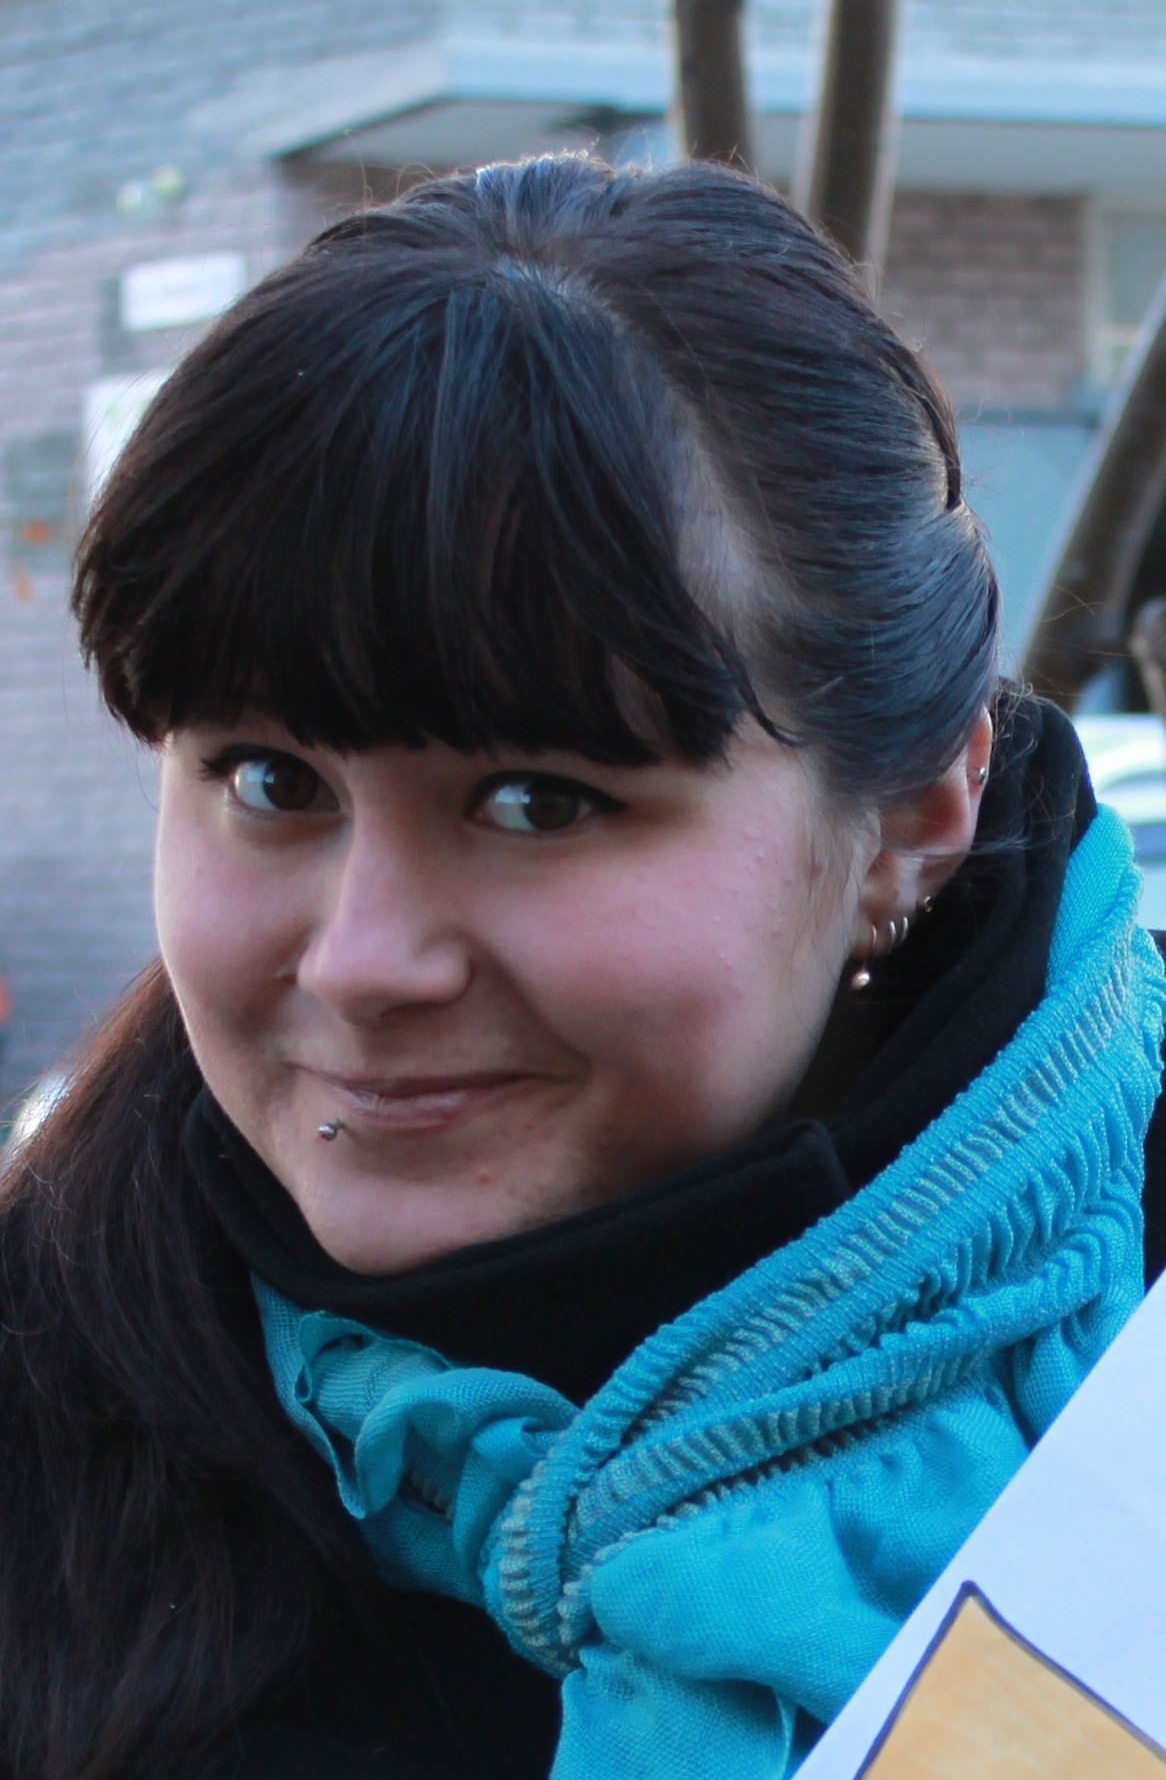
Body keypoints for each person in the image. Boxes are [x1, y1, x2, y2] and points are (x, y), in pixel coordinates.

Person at [1, 156, 1163, 1780]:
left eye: (536, 803)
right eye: (271, 782)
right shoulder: (49, 1418)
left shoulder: (1125, 1381)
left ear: (910, 820)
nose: (364, 961)